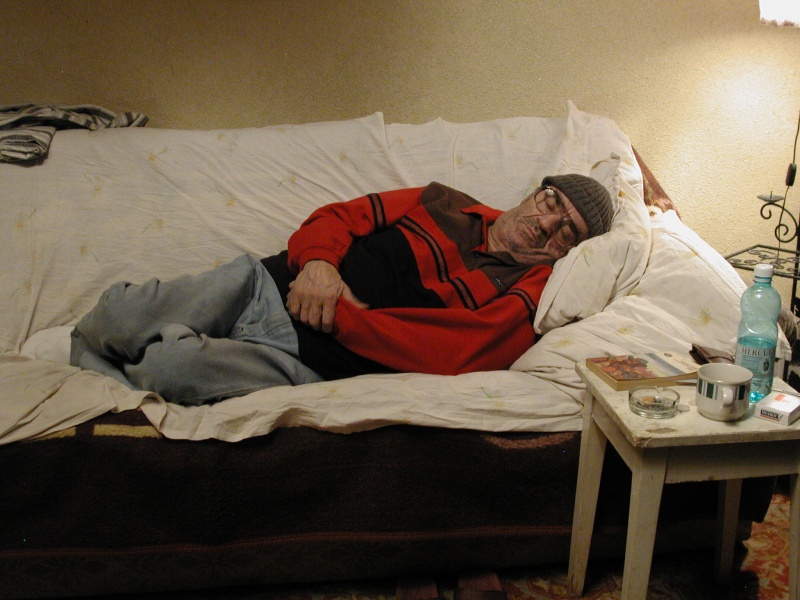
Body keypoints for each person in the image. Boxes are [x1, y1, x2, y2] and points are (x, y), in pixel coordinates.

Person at [70, 175, 614, 406]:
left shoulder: (531, 291)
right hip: (263, 283)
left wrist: (338, 315)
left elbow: (451, 355)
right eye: (551, 202)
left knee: (167, 372)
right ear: (534, 192)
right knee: (113, 318)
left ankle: (97, 370)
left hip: (313, 357)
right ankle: (96, 356)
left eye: (567, 231)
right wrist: (318, 267)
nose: (547, 224)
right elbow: (338, 217)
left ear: (571, 251)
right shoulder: (445, 201)